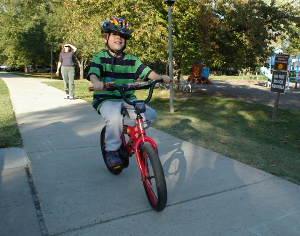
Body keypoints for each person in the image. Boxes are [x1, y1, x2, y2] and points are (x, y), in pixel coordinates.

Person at [87, 17, 170, 168]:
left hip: (127, 97)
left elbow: (147, 72)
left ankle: (134, 138)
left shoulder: (132, 60)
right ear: (105, 38)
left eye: (123, 36)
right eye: (114, 35)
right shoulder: (100, 57)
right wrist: (96, 82)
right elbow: (93, 73)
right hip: (106, 98)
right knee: (113, 117)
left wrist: (160, 78)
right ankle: (112, 150)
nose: (119, 38)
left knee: (151, 115)